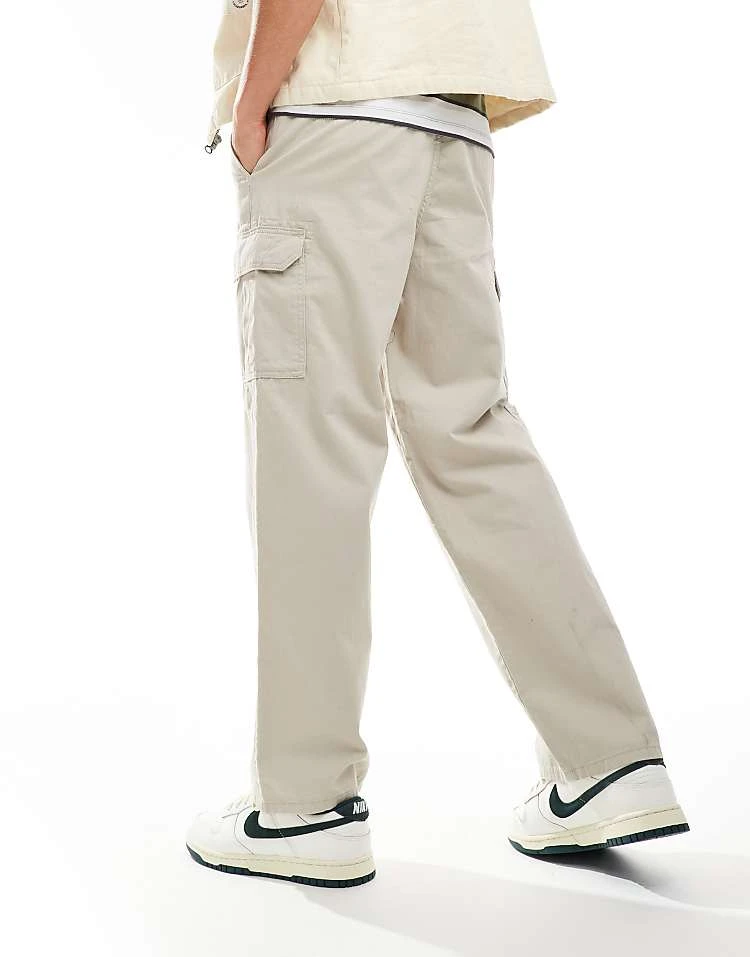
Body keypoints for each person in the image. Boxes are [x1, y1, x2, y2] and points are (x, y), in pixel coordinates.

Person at [186, 0, 689, 887]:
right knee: (472, 432)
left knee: (313, 447)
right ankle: (609, 759)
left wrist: (251, 102)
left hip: (334, 106)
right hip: (454, 118)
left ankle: (305, 803)